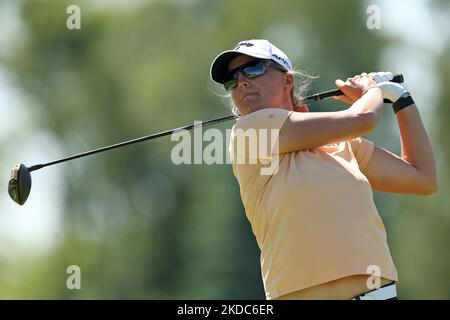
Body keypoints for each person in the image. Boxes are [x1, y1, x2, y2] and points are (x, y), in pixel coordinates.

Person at [209, 39, 438, 300]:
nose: (241, 81)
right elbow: (363, 118)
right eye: (231, 79)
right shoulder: (249, 132)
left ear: (287, 81)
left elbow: (423, 178)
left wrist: (400, 96)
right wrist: (373, 91)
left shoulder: (344, 144)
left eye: (252, 69)